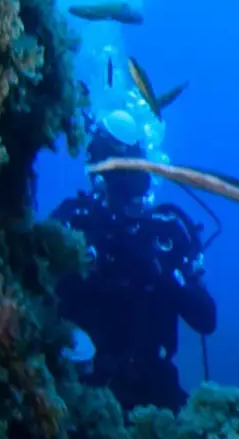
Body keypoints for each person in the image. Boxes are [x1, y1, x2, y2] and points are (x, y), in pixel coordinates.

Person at [50, 111, 217, 411]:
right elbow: (40, 293)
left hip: (151, 394)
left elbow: (206, 318)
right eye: (118, 183)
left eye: (134, 182)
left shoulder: (167, 232)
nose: (129, 196)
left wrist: (161, 273)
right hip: (77, 390)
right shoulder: (76, 223)